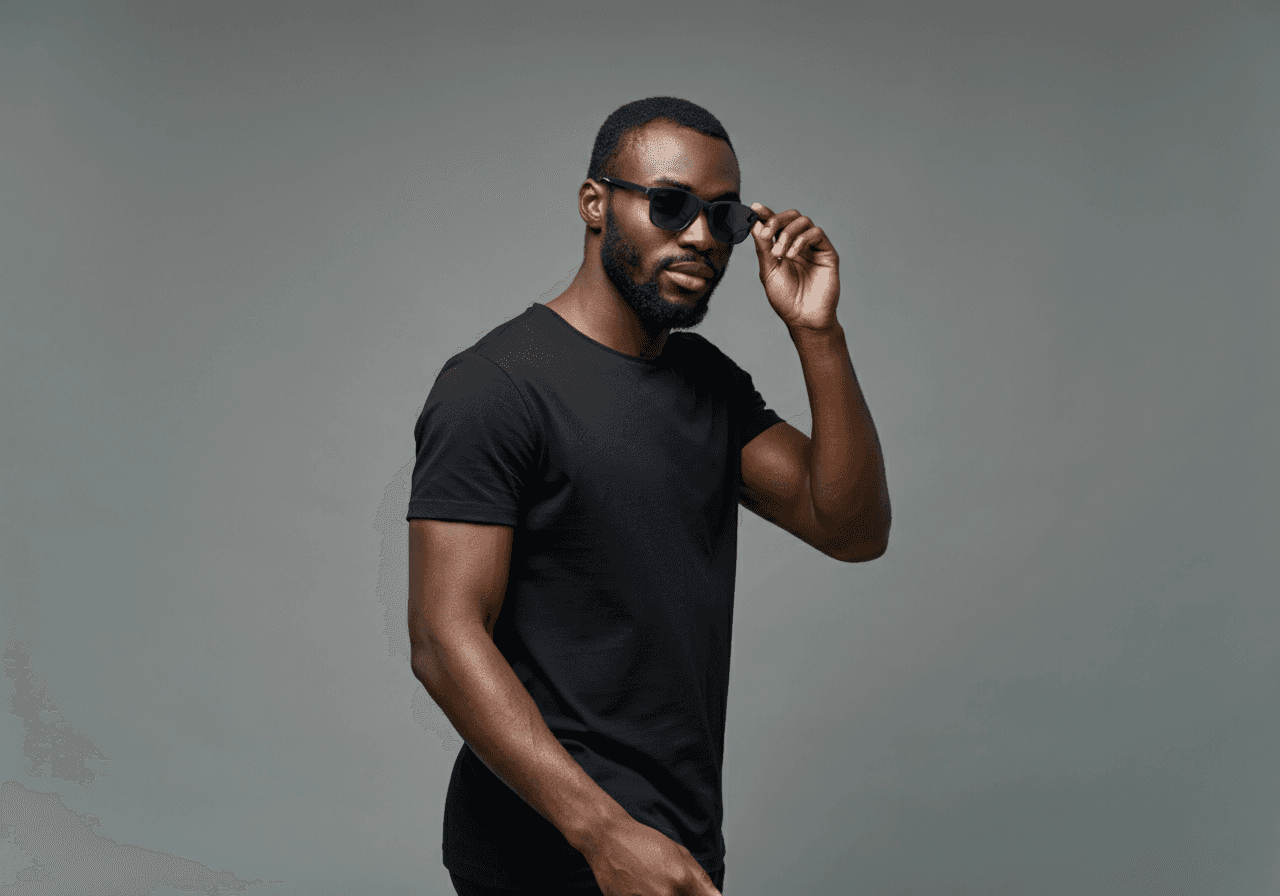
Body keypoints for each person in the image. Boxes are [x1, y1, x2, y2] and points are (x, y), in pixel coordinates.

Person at [407, 96, 891, 896]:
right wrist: (603, 833)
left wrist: (818, 335)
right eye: (669, 205)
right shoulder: (493, 388)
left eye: (724, 216)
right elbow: (442, 638)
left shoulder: (707, 384)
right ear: (595, 204)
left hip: (678, 847)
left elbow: (850, 527)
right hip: (546, 852)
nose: (700, 236)